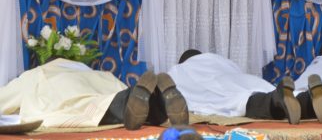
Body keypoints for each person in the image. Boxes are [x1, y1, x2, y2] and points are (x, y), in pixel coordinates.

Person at [0, 58, 188, 130]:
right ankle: (159, 100)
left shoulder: (36, 74)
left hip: (84, 102)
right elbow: (131, 91)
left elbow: (3, 99)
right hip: (109, 90)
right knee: (127, 97)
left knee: (100, 107)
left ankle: (142, 104)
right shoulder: (95, 72)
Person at [168, 49, 322, 124]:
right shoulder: (218, 60)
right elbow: (237, 72)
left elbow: (174, 93)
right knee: (256, 89)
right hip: (240, 79)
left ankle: (278, 98)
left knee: (244, 101)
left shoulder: (179, 70)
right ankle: (307, 100)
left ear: (183, 61)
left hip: (219, 88)